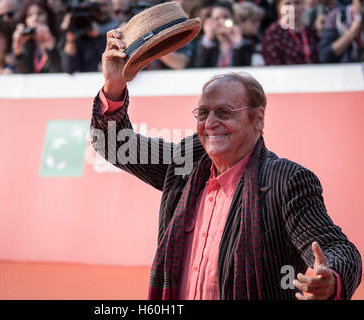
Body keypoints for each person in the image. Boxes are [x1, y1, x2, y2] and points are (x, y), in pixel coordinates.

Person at [89, 28, 362, 300]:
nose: (210, 123)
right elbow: (116, 145)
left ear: (258, 119)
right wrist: (114, 86)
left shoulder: (287, 180)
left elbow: (337, 247)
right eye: (203, 113)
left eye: (224, 113)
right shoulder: (186, 161)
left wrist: (330, 278)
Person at [61, 0, 118, 73]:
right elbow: (69, 69)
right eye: (96, 6)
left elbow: (110, 63)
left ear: (111, 6)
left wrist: (98, 37)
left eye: (104, 5)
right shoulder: (76, 31)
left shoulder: (118, 28)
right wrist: (70, 39)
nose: (100, 10)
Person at [193, 1, 255, 68]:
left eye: (226, 17)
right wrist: (208, 38)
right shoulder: (205, 44)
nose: (222, 22)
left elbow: (245, 70)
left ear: (233, 18)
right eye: (217, 18)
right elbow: (199, 67)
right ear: (210, 20)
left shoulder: (245, 44)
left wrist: (238, 45)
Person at [262, 0, 320, 65]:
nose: (293, 7)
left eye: (297, 2)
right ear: (279, 7)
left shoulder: (310, 31)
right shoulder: (273, 32)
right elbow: (273, 64)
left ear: (303, 5)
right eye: (287, 3)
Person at [13, 0, 63, 73]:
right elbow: (24, 76)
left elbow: (59, 73)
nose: (35, 18)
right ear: (25, 21)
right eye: (30, 15)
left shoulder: (61, 40)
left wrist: (51, 45)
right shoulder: (26, 44)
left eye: (39, 13)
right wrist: (18, 50)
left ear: (48, 17)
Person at [233, 1, 266, 66]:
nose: (258, 24)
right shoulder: (233, 41)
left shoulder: (258, 38)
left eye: (259, 21)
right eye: (253, 21)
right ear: (241, 22)